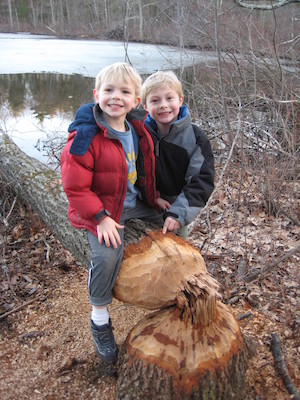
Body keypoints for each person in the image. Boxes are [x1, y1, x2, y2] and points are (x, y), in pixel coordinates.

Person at [60, 62, 162, 376]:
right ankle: (99, 316)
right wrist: (100, 217)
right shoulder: (87, 135)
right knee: (108, 253)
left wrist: (154, 197)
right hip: (98, 209)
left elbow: (143, 169)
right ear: (96, 95)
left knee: (171, 224)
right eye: (108, 90)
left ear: (135, 101)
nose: (115, 97)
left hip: (132, 204)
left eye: (124, 92)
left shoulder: (139, 127)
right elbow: (74, 186)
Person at [141, 70, 215, 238]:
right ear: (145, 106)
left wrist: (178, 214)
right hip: (144, 205)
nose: (163, 105)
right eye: (155, 100)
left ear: (180, 100)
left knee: (176, 255)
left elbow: (200, 181)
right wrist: (150, 197)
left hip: (175, 209)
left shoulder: (195, 139)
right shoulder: (140, 134)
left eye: (169, 98)